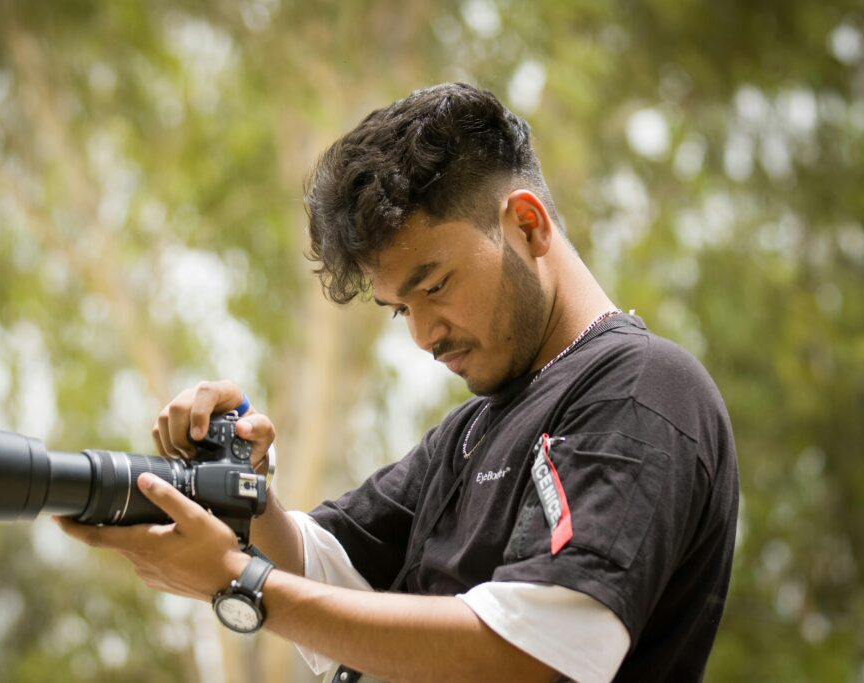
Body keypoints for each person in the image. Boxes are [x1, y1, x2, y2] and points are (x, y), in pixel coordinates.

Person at [57, 83, 739, 682]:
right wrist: (244, 493)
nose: (422, 335)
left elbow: (529, 649)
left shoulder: (643, 389)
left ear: (526, 224)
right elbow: (322, 573)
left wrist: (238, 582)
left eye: (434, 286)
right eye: (399, 310)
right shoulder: (469, 434)